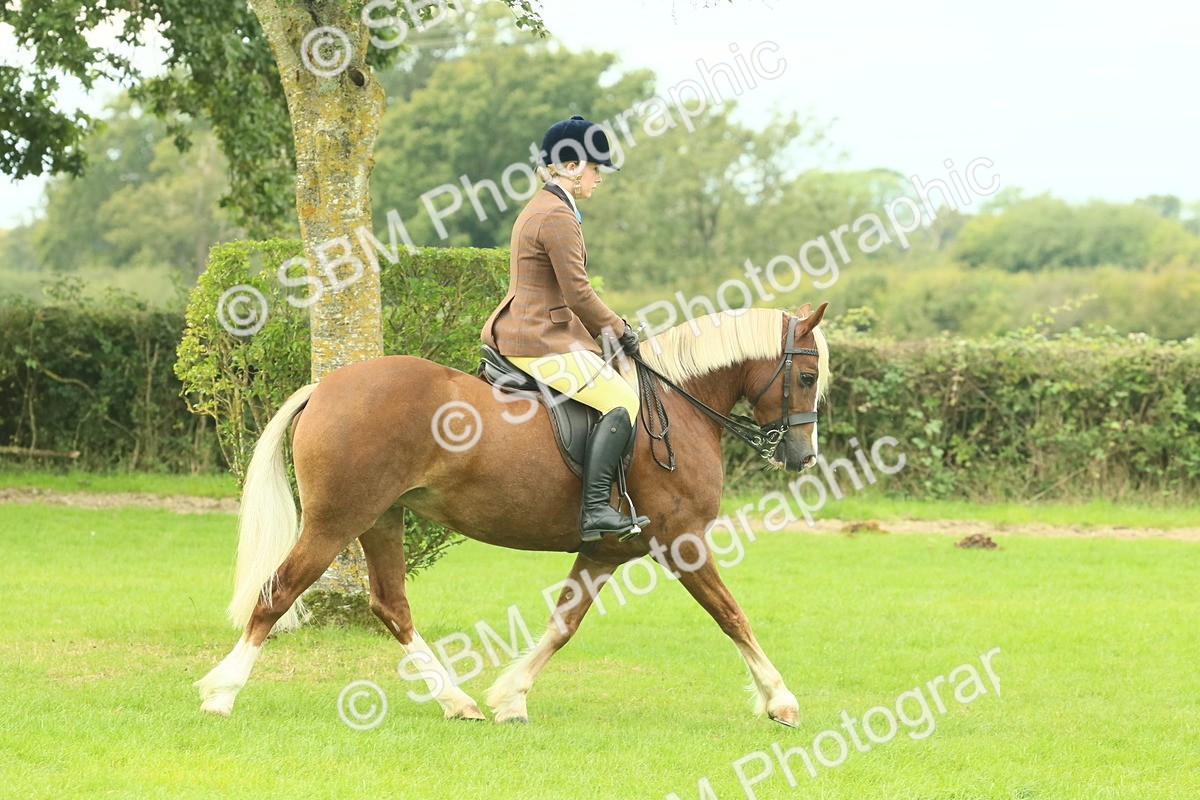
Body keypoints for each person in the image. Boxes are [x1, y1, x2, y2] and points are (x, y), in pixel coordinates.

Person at [481, 115, 649, 542]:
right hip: (536, 340)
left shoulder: (546, 207)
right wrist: (619, 329)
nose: (599, 178)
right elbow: (577, 293)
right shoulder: (556, 215)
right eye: (596, 168)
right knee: (621, 400)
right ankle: (595, 510)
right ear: (570, 165)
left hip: (535, 329)